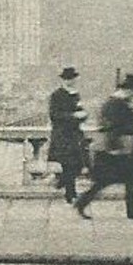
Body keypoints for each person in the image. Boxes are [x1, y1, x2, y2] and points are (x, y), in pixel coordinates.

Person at [74, 73, 133, 221]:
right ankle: (82, 202)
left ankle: (132, 210)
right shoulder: (118, 105)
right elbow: (114, 128)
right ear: (129, 90)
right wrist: (118, 146)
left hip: (120, 148)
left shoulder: (115, 103)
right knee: (111, 180)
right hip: (121, 148)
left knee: (123, 180)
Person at [47, 66, 90, 204]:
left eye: (71, 79)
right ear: (63, 80)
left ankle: (63, 183)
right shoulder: (57, 95)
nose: (70, 81)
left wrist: (83, 115)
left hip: (75, 134)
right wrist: (73, 116)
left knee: (77, 164)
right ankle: (70, 193)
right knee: (68, 164)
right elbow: (54, 114)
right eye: (67, 79)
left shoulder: (75, 95)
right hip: (62, 134)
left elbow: (80, 111)